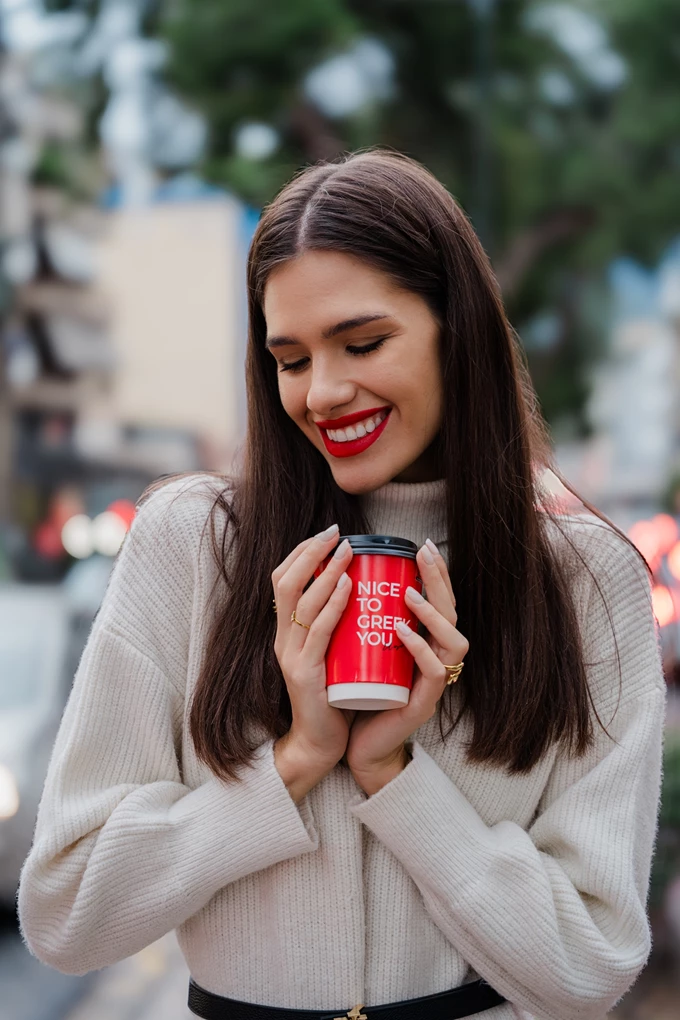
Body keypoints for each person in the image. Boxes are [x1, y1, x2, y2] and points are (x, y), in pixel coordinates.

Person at [18, 150, 666, 1020]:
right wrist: (294, 761)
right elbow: (65, 915)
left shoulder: (582, 580)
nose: (323, 392)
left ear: (455, 329)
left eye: (363, 343)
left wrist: (396, 779)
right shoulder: (192, 547)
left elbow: (591, 966)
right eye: (289, 358)